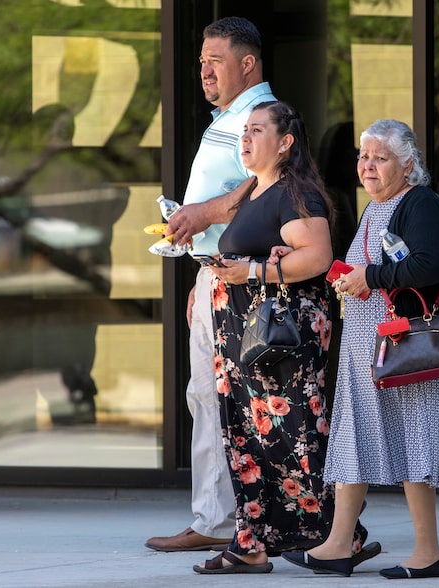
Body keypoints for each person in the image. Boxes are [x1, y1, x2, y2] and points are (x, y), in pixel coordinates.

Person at [193, 100, 379, 574]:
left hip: (284, 337)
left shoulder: (296, 193)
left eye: (257, 130)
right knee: (246, 440)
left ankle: (341, 536)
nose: (246, 138)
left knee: (293, 437)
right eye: (245, 131)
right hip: (243, 337)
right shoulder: (254, 189)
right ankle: (250, 542)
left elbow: (316, 257)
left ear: (285, 142)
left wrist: (252, 269)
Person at [282, 119, 439, 579]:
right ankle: (339, 545)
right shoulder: (373, 208)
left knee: (414, 440)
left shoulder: (420, 203)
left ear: (407, 164)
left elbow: (428, 265)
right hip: (368, 346)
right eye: (363, 158)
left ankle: (428, 553)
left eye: (379, 158)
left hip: (407, 347)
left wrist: (371, 277)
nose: (367, 166)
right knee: (354, 438)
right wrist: (351, 276)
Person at [145, 16, 276, 553]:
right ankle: (215, 520)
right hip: (214, 275)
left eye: (214, 60)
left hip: (245, 280)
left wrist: (205, 213)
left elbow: (271, 181)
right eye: (201, 61)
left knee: (246, 403)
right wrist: (200, 273)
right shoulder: (228, 115)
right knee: (204, 397)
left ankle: (247, 524)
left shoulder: (264, 116)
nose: (203, 71)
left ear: (247, 64)